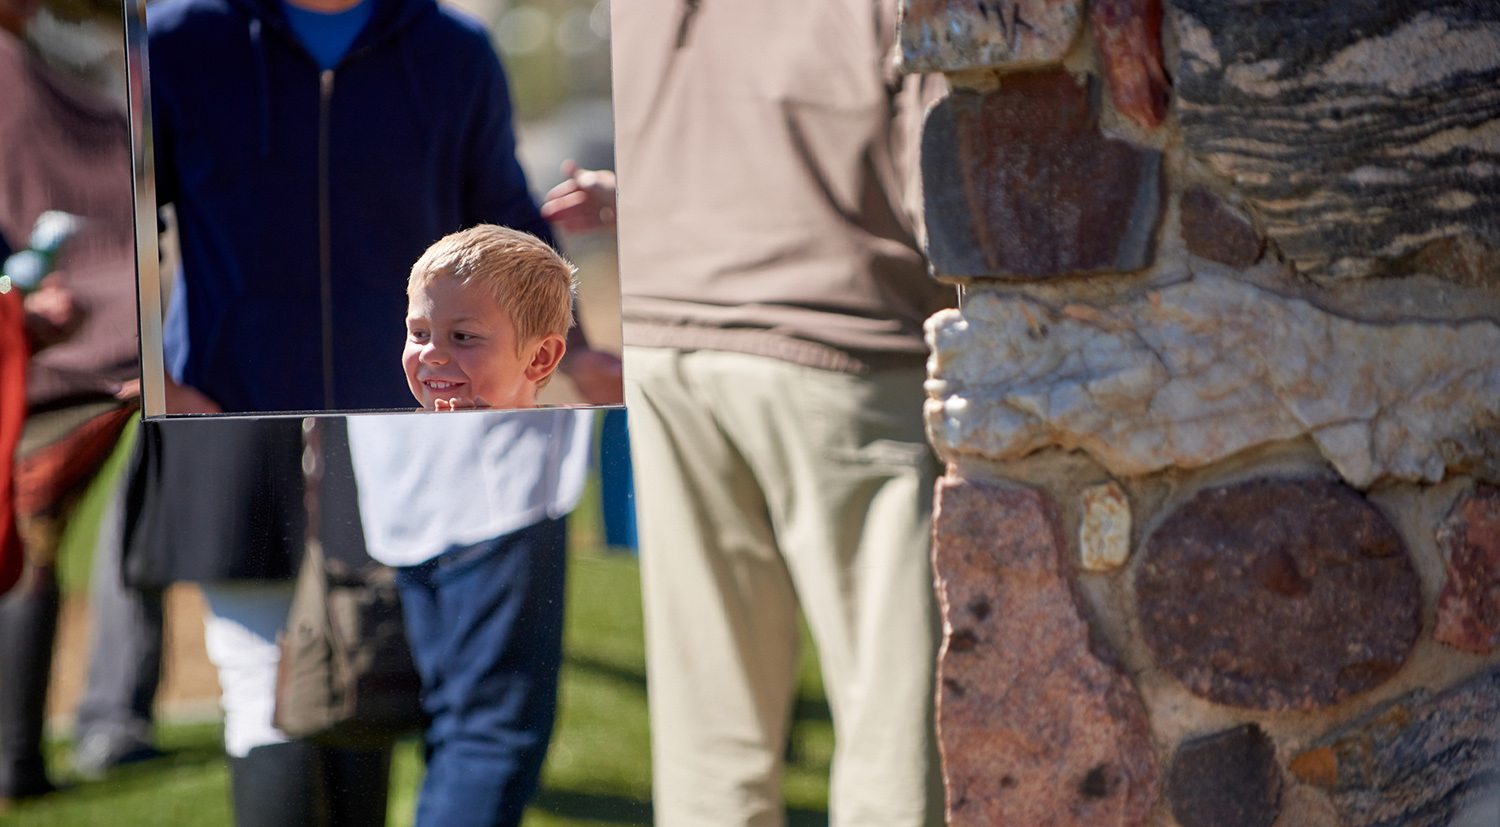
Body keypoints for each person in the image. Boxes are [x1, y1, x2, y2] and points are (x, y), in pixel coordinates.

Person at [126, 0, 618, 822]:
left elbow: (502, 223)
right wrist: (152, 376)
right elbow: (110, 218)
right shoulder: (178, 39)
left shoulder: (454, 50)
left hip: (412, 427)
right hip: (230, 419)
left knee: (366, 677)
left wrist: (585, 348)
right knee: (260, 680)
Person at [607, 0, 951, 823]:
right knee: (891, 713)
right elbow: (946, 197)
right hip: (846, 349)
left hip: (665, 340)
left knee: (708, 730)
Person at [0, 2, 162, 803]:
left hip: (84, 335)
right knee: (34, 535)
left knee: (38, 535)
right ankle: (26, 757)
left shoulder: (58, 64)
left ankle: (26, 758)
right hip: (73, 340)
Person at [402, 225, 575, 411]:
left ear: (540, 357)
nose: (429, 354)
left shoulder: (560, 438)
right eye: (419, 334)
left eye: (462, 336)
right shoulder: (400, 438)